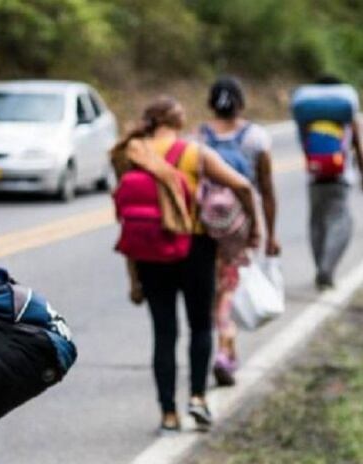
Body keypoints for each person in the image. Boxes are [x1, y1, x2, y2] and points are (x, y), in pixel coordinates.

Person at [113, 97, 259, 433]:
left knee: (163, 333)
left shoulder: (130, 152)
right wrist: (253, 228)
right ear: (178, 121)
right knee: (200, 327)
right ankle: (197, 399)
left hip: (149, 251)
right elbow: (242, 185)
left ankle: (167, 414)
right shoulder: (195, 153)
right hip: (195, 247)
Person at [200, 77, 281, 386]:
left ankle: (225, 347)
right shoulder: (257, 138)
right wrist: (268, 233)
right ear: (242, 103)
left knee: (214, 287)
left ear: (211, 103)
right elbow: (267, 190)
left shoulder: (200, 138)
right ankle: (225, 348)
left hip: (205, 223)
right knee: (230, 287)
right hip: (238, 225)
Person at [295, 76, 363, 289]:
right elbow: (357, 145)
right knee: (342, 222)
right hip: (340, 178)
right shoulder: (344, 113)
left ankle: (321, 267)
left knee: (317, 223)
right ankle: (327, 268)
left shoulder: (307, 115)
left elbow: (303, 145)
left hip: (314, 178)